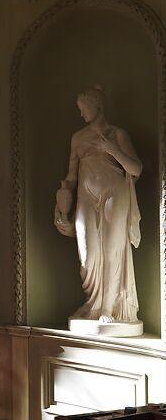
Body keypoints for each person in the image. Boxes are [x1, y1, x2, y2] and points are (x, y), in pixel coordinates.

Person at [55, 84, 142, 327]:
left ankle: (107, 307)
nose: (82, 114)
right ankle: (92, 302)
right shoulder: (78, 138)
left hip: (114, 193)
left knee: (112, 250)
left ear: (97, 105)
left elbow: (136, 169)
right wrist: (62, 205)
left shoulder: (118, 134)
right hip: (85, 196)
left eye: (84, 108)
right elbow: (71, 175)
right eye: (80, 110)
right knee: (87, 256)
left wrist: (113, 150)